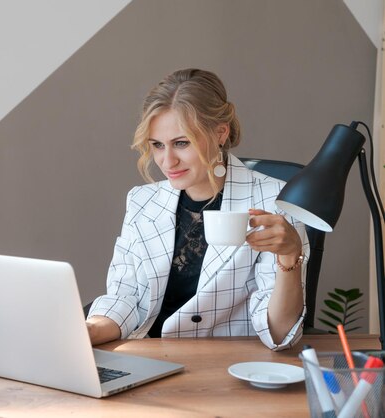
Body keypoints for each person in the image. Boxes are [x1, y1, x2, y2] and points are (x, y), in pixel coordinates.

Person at [86, 68, 309, 351]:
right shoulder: (142, 201)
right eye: (157, 145)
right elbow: (126, 298)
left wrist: (290, 255)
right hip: (148, 359)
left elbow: (278, 333)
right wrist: (88, 331)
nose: (167, 162)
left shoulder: (274, 201)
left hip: (224, 367)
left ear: (219, 133)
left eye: (181, 143)